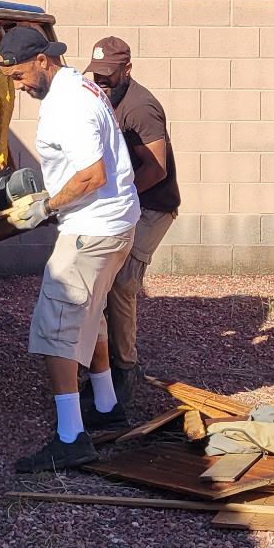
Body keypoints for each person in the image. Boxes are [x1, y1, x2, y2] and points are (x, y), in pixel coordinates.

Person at [0, 24, 139, 472]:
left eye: (19, 76)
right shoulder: (82, 87)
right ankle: (106, 404)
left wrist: (46, 206)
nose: (17, 87)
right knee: (89, 314)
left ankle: (71, 436)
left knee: (55, 328)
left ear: (42, 60)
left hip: (91, 229)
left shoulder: (67, 104)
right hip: (114, 223)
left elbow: (92, 174)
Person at [84, 36, 179, 414]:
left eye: (109, 74)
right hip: (121, 204)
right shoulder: (98, 97)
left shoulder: (141, 107)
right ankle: (98, 366)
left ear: (127, 69)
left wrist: (115, 199)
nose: (102, 81)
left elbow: (156, 170)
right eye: (97, 74)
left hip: (152, 205)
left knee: (122, 283)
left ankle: (125, 368)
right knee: (96, 279)